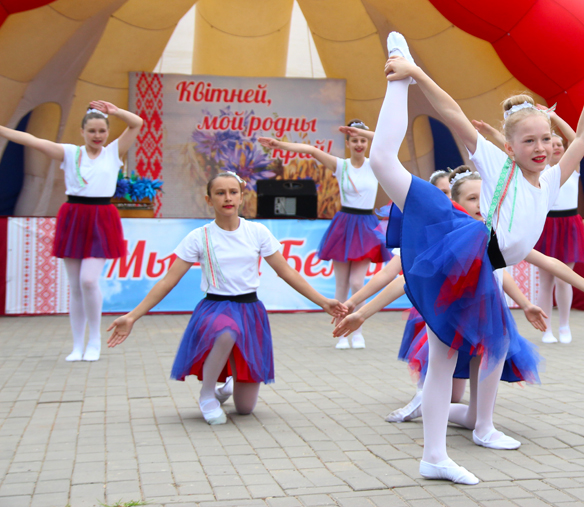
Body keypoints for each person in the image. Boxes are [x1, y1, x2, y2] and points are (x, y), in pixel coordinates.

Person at [366, 30, 584, 484]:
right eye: (529, 142)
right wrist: (415, 73)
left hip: (484, 270)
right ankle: (399, 70)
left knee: (445, 359)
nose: (541, 148)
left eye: (546, 140)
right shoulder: (498, 166)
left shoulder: (552, 181)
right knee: (382, 162)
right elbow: (454, 113)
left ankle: (440, 452)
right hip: (462, 245)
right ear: (511, 147)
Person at [332, 166, 584, 424]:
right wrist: (360, 312)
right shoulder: (448, 238)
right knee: (446, 386)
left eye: (482, 197)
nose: (478, 204)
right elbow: (404, 281)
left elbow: (540, 262)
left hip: (486, 322)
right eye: (471, 198)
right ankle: (426, 402)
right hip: (448, 320)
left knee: (471, 410)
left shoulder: (498, 237)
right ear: (456, 202)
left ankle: (461, 417)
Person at [106, 172, 339, 425]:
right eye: (220, 193)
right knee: (226, 332)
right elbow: (167, 281)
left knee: (245, 409)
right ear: (209, 199)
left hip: (250, 310)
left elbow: (286, 272)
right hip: (215, 308)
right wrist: (132, 316)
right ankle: (207, 395)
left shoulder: (257, 232)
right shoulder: (199, 237)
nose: (227, 198)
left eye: (233, 192)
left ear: (241, 196)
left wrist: (323, 301)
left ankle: (224, 387)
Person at [0, 101, 143, 362]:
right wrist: (3, 129)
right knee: (76, 286)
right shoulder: (69, 153)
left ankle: (95, 341)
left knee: (89, 280)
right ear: (82, 132)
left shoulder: (113, 152)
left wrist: (115, 112)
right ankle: (78, 345)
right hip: (74, 216)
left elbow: (137, 123)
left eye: (102, 131)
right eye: (92, 131)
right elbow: (31, 140)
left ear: (107, 132)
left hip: (101, 217)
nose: (97, 136)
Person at [259, 122, 390, 349]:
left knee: (358, 282)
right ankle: (340, 334)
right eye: (354, 140)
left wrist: (361, 131)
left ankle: (357, 331)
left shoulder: (375, 164)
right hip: (344, 225)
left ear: (367, 142)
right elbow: (311, 151)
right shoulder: (341, 166)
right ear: (347, 143)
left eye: (362, 140)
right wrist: (278, 144)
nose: (359, 144)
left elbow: (387, 137)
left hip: (366, 226)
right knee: (341, 286)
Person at [473, 113, 584, 343]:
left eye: (553, 142)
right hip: (548, 224)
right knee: (546, 279)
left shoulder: (564, 172)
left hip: (568, 224)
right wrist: (492, 133)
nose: (552, 147)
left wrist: (555, 117)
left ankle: (564, 325)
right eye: (534, 141)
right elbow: (513, 149)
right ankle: (548, 329)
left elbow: (581, 139)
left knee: (562, 278)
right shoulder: (535, 175)